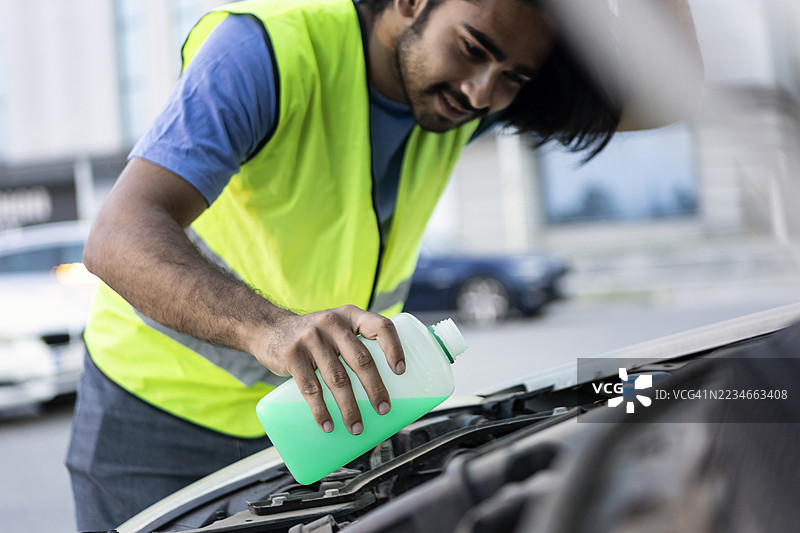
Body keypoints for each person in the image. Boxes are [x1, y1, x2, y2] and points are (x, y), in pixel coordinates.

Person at [66, 0, 700, 529]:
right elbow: (118, 234)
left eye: (514, 76)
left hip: (324, 422)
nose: (484, 92)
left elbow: (671, 94)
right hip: (153, 425)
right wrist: (271, 328)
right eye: (474, 48)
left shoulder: (462, 100)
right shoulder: (267, 52)